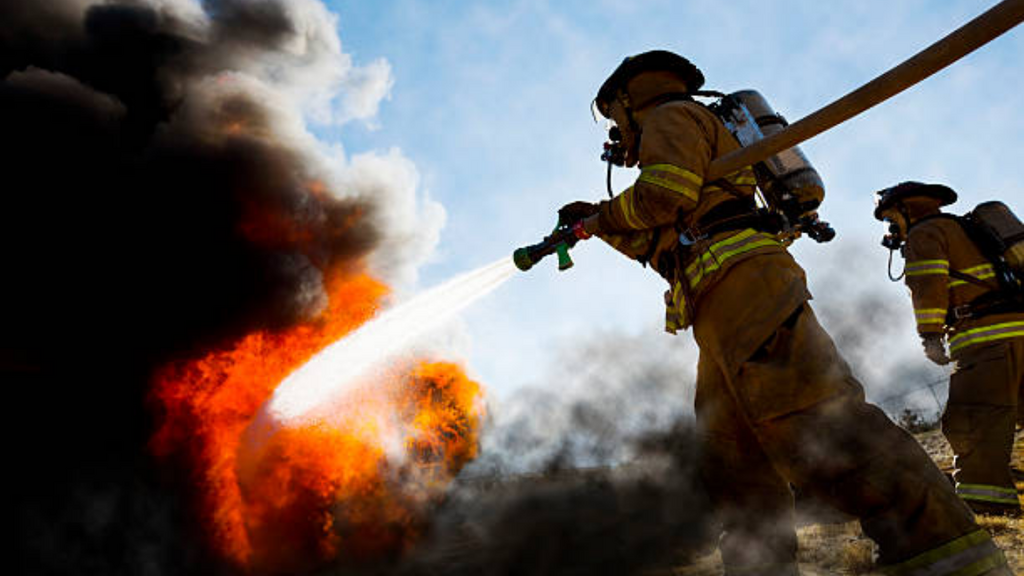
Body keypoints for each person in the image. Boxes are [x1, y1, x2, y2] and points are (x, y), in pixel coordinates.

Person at [560, 50, 1011, 575]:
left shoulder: (668, 116)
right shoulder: (690, 140)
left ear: (626, 99)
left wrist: (603, 216)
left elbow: (663, 196)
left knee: (817, 418)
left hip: (749, 292)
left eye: (614, 119)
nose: (616, 136)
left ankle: (950, 555)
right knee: (733, 463)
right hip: (719, 315)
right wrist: (597, 223)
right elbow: (663, 241)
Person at [874, 181, 1024, 517]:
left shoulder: (925, 234)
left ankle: (988, 508)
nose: (892, 228)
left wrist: (929, 335)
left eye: (891, 219)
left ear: (906, 209)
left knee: (973, 423)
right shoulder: (970, 230)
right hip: (1020, 328)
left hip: (986, 341)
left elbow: (928, 285)